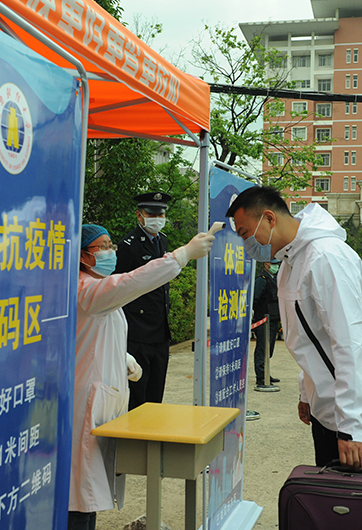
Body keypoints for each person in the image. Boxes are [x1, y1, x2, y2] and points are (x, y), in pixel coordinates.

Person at [225, 186, 362, 472]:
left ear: (269, 218)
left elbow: (348, 343)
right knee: (330, 493)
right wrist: (307, 393)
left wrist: (351, 426)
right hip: (331, 405)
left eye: (245, 233)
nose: (246, 243)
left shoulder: (326, 257)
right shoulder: (290, 263)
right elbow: (310, 339)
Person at [69, 223, 214, 530]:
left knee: (90, 489)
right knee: (81, 491)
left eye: (111, 245)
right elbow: (132, 282)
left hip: (100, 401)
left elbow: (89, 337)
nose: (110, 252)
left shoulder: (95, 287)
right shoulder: (85, 288)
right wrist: (181, 255)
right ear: (82, 256)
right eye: (102, 247)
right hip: (84, 404)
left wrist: (121, 358)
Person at [114, 192, 174, 410]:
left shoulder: (162, 240)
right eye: (151, 214)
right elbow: (117, 287)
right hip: (138, 331)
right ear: (139, 216)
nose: (157, 218)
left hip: (160, 330)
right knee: (137, 394)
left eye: (161, 214)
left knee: (156, 392)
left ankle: (153, 430)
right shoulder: (128, 245)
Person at [252, 261, 280, 387]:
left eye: (277, 263)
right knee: (262, 349)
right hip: (263, 321)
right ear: (266, 264)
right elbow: (254, 299)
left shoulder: (274, 279)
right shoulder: (262, 280)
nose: (276, 266)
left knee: (269, 349)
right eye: (273, 264)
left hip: (272, 320)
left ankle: (266, 373)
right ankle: (261, 378)